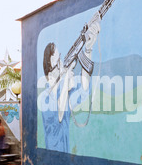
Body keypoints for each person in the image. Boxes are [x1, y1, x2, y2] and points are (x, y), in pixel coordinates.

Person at [39, 17, 101, 153]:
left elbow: (84, 89)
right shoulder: (45, 98)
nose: (62, 65)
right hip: (53, 158)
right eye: (58, 62)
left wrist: (88, 50)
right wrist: (66, 78)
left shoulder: (65, 94)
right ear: (50, 70)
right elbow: (59, 116)